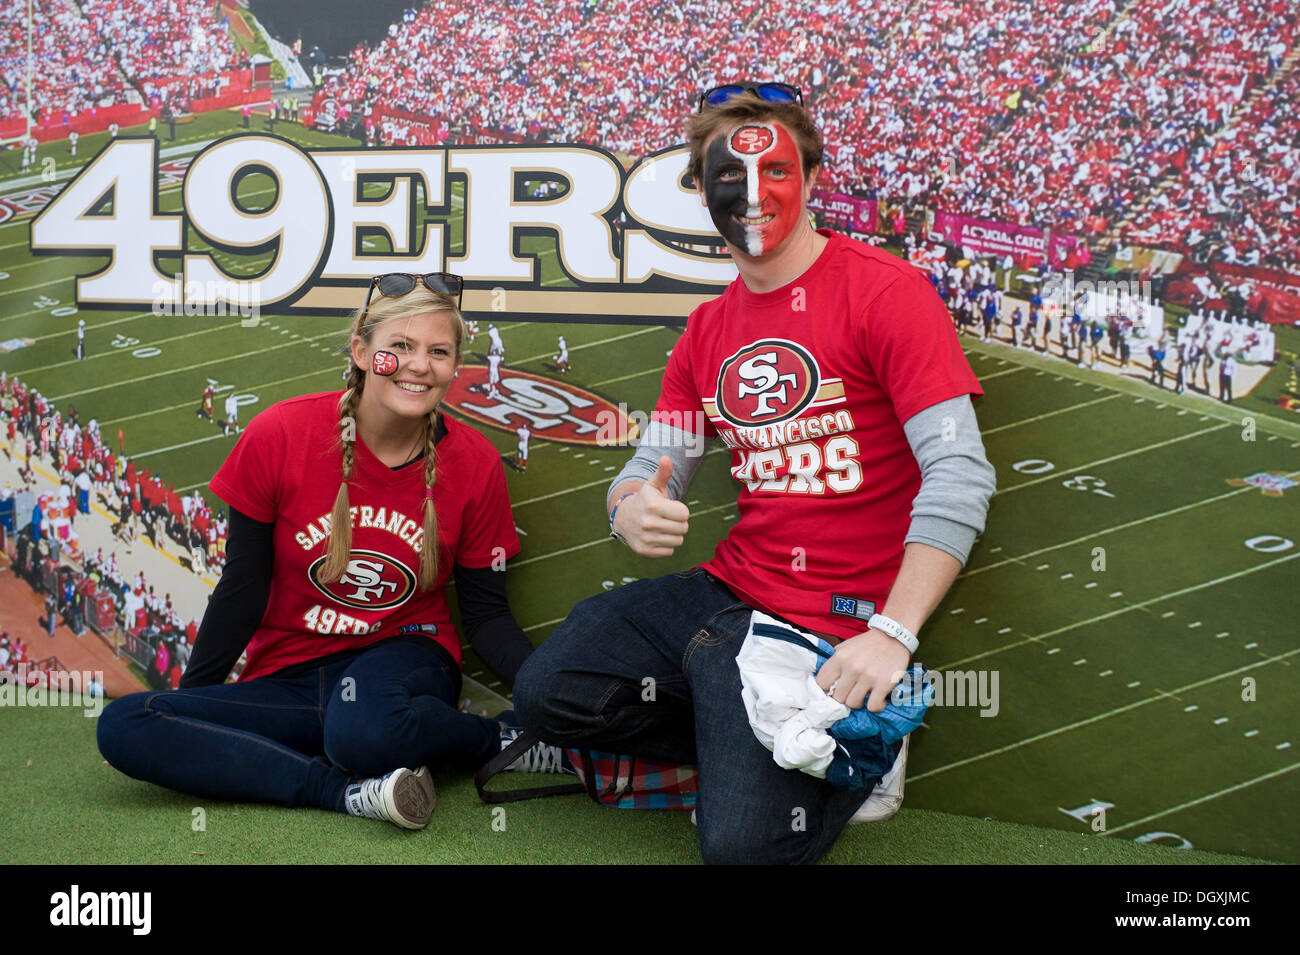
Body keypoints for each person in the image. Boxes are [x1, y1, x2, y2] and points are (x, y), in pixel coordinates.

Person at [513, 85, 996, 864]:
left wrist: (892, 635)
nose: (753, 192)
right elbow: (651, 465)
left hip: (838, 621)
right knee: (548, 691)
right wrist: (628, 504)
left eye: (776, 169)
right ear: (702, 189)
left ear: (813, 178)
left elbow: (959, 472)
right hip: (733, 598)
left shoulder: (887, 291)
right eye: (729, 175)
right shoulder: (708, 327)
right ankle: (764, 737)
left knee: (742, 850)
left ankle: (856, 744)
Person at [97, 275, 543, 830]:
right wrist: (195, 708)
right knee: (125, 724)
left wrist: (549, 699)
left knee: (364, 729)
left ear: (455, 365)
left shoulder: (475, 462)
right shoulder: (279, 433)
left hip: (403, 655)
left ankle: (497, 739)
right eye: (400, 346)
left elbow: (487, 616)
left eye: (438, 352)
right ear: (361, 351)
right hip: (292, 676)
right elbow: (243, 587)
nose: (419, 365)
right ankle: (349, 794)